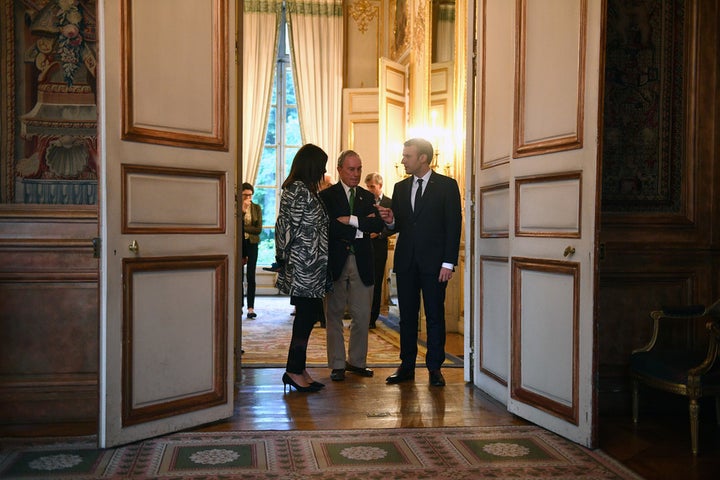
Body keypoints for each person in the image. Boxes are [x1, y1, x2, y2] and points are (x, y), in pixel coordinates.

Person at [377, 138, 462, 387]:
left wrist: (448, 263)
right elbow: (399, 224)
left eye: (407, 156)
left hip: (436, 265)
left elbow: (453, 226)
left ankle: (435, 368)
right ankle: (407, 366)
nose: (403, 160)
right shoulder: (400, 187)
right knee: (407, 318)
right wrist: (391, 220)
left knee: (435, 316)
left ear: (423, 158)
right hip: (406, 263)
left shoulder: (447, 186)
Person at [319, 150, 384, 381]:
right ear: (339, 170)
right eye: (351, 169)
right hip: (336, 261)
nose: (356, 174)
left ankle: (357, 362)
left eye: (359, 169)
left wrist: (350, 221)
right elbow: (328, 228)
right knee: (333, 314)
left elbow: (377, 224)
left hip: (363, 261)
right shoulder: (327, 196)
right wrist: (360, 228)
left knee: (362, 314)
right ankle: (337, 364)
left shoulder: (368, 197)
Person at [275, 143, 333, 392]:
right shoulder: (298, 190)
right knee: (304, 320)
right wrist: (283, 261)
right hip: (304, 268)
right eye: (322, 165)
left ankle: (299, 368)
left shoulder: (306, 189)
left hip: (312, 268)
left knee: (307, 320)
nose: (324, 170)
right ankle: (293, 370)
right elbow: (285, 228)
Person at [365, 172, 394, 329]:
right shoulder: (364, 201)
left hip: (379, 246)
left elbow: (395, 224)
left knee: (376, 283)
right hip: (364, 246)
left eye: (372, 186)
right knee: (364, 283)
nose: (369, 189)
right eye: (367, 186)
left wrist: (380, 233)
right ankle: (362, 317)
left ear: (380, 186)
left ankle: (372, 319)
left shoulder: (389, 202)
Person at [241, 182, 262, 319]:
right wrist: (242, 211)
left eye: (250, 195)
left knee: (251, 276)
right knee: (238, 276)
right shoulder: (237, 208)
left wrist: (244, 228)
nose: (248, 197)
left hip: (252, 243)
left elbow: (258, 229)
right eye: (245, 195)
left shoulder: (256, 208)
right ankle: (239, 306)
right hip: (240, 243)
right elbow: (235, 225)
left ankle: (250, 307)